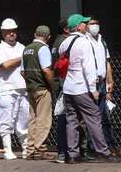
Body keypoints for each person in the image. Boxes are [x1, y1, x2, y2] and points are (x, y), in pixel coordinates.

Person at [59, 14, 121, 164]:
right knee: (94, 117)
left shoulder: (65, 42)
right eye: (84, 23)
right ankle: (103, 152)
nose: (87, 25)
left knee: (72, 121)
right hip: (82, 87)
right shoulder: (84, 42)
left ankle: (72, 154)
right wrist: (93, 89)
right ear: (78, 26)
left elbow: (62, 62)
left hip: (68, 88)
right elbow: (88, 67)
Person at [86, 16, 121, 157]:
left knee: (105, 117)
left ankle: (109, 144)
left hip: (102, 84)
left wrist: (110, 83)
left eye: (96, 23)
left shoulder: (102, 41)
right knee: (92, 117)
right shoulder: (85, 41)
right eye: (91, 24)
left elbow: (107, 63)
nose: (95, 26)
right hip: (91, 83)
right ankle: (92, 147)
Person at [0, 18, 29, 160]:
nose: (11, 34)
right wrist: (22, 58)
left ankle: (26, 148)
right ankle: (7, 149)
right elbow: (5, 65)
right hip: (6, 89)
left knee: (24, 120)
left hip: (23, 88)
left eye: (13, 31)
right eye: (8, 32)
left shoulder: (22, 46)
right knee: (6, 120)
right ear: (3, 33)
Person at [23, 25, 56, 160]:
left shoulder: (26, 49)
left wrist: (30, 82)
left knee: (32, 120)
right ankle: (39, 149)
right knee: (43, 120)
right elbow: (47, 70)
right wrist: (53, 86)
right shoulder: (43, 49)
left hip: (31, 88)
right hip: (42, 88)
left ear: (35, 34)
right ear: (48, 37)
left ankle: (30, 150)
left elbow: (22, 71)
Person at [51, 17, 71, 163]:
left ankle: (65, 152)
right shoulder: (63, 43)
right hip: (64, 86)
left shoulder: (58, 42)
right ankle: (63, 153)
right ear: (66, 29)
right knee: (64, 119)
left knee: (65, 118)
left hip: (61, 85)